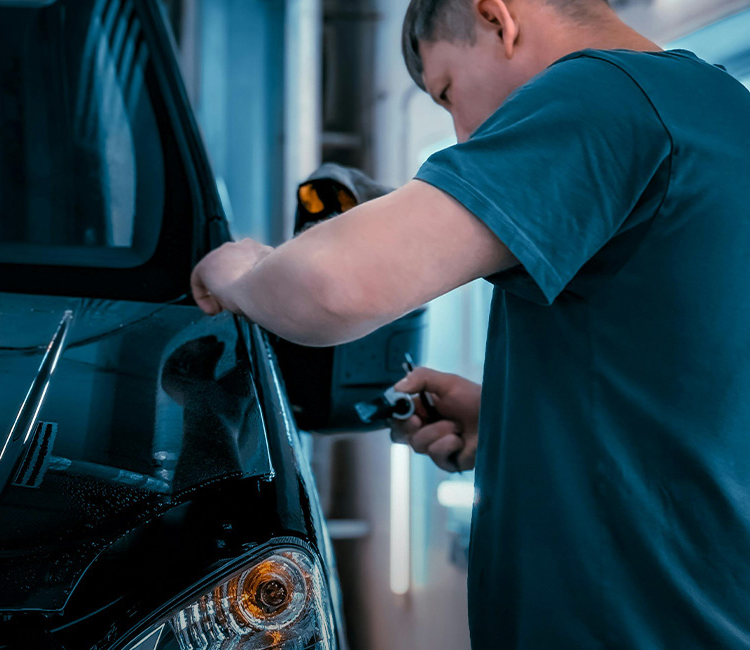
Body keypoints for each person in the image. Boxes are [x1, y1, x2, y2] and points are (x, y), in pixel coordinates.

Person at [190, 0, 750, 647]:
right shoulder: (721, 114)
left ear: (497, 17)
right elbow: (700, 391)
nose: (461, 133)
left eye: (447, 91)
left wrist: (243, 269)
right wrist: (511, 425)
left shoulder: (602, 94)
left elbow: (330, 288)